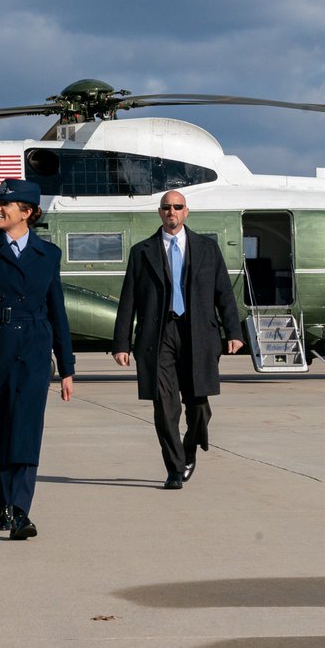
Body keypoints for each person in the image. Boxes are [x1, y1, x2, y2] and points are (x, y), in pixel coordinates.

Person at [0, 178, 75, 540]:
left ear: (29, 212)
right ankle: (4, 501)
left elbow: (58, 312)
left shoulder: (48, 255)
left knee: (25, 429)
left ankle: (20, 510)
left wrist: (66, 367)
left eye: (7, 205)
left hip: (33, 350)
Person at [112, 190, 243, 489]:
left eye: (177, 207)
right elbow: (128, 299)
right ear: (160, 212)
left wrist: (233, 332)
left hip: (199, 333)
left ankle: (190, 448)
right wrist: (121, 343)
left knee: (198, 405)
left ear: (186, 212)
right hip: (158, 335)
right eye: (166, 207)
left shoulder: (207, 249)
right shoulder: (141, 251)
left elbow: (223, 292)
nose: (171, 212)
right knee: (164, 405)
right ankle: (174, 468)